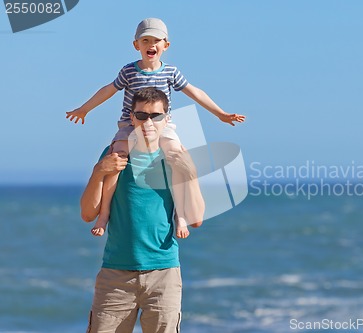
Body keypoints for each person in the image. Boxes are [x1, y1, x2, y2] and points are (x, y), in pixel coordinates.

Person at [67, 17, 244, 238]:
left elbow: (194, 92)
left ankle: (180, 216)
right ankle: (104, 214)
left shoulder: (170, 72)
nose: (151, 45)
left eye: (156, 41)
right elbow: (108, 90)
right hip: (129, 125)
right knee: (117, 159)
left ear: (165, 45)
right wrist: (84, 109)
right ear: (136, 45)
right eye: (145, 40)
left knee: (177, 158)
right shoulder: (129, 71)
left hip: (163, 126)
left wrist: (220, 113)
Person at [81, 87, 205, 333]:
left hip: (164, 275)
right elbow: (88, 214)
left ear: (167, 119)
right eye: (142, 116)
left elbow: (196, 219)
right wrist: (98, 171)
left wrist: (190, 174)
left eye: (156, 116)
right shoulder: (115, 154)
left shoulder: (176, 156)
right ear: (131, 117)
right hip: (115, 275)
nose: (149, 122)